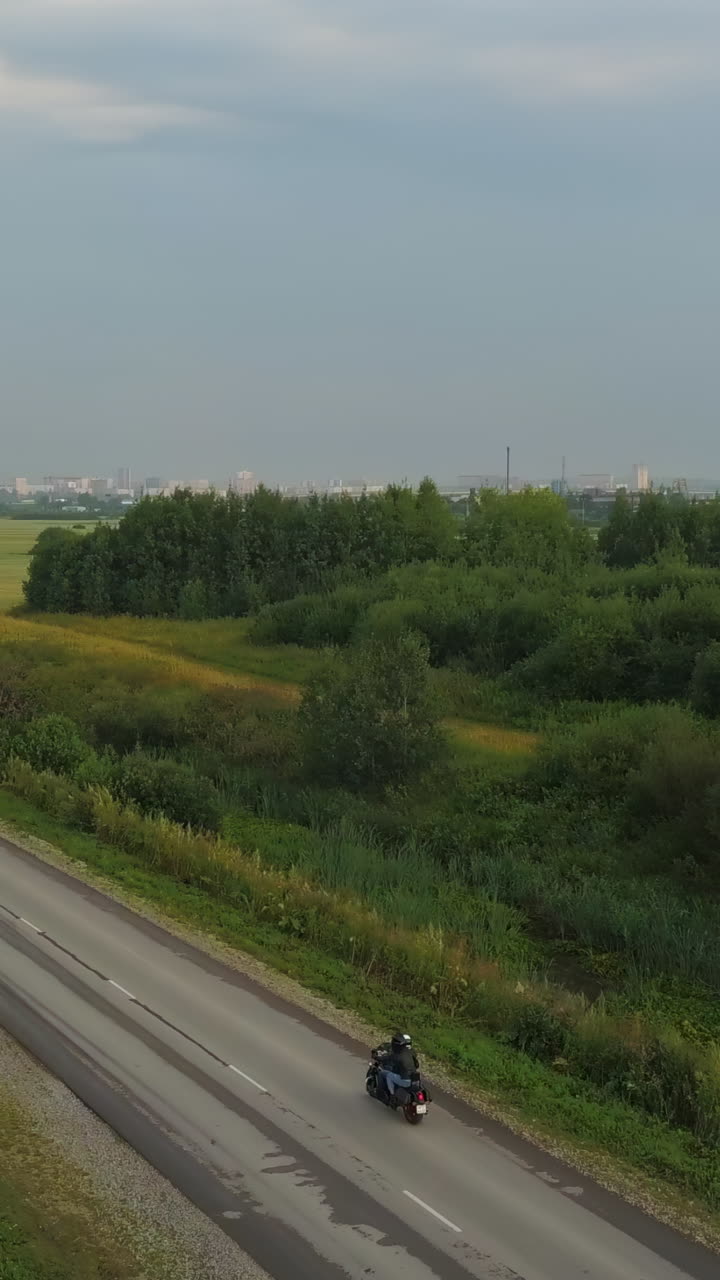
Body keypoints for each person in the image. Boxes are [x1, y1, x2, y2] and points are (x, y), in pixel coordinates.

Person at [375, 1032, 419, 1104]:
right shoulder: (411, 1052)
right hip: (414, 1080)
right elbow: (416, 1064)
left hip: (405, 1080)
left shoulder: (397, 1055)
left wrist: (377, 1057)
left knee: (386, 1075)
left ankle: (392, 1095)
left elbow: (386, 1058)